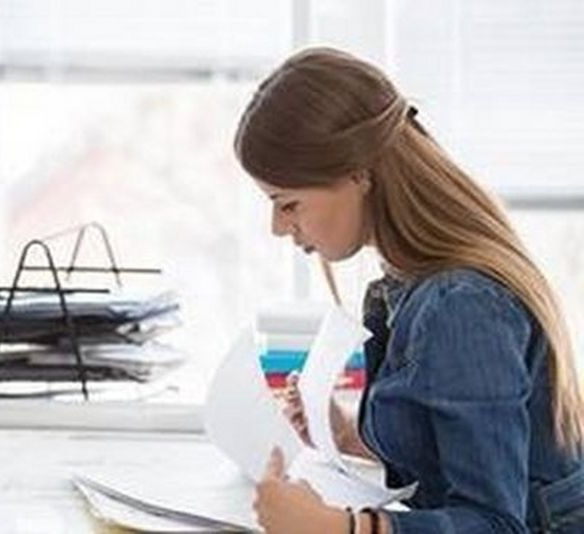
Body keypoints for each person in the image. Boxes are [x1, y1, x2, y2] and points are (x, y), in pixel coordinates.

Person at [234, 47, 584, 534]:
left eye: (287, 203)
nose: (277, 227)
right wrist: (349, 435)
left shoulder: (462, 307)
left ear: (358, 175)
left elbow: (496, 524)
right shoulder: (406, 284)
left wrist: (340, 528)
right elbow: (452, 452)